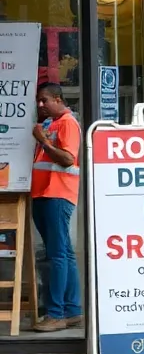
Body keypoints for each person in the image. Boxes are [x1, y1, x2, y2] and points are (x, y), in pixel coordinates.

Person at [30, 83, 81, 332]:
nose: (40, 105)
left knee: (57, 255)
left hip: (57, 194)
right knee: (64, 254)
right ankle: (72, 310)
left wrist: (44, 142)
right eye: (39, 101)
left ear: (58, 99)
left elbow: (68, 158)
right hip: (44, 193)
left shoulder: (68, 122)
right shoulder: (52, 122)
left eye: (44, 100)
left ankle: (56, 313)